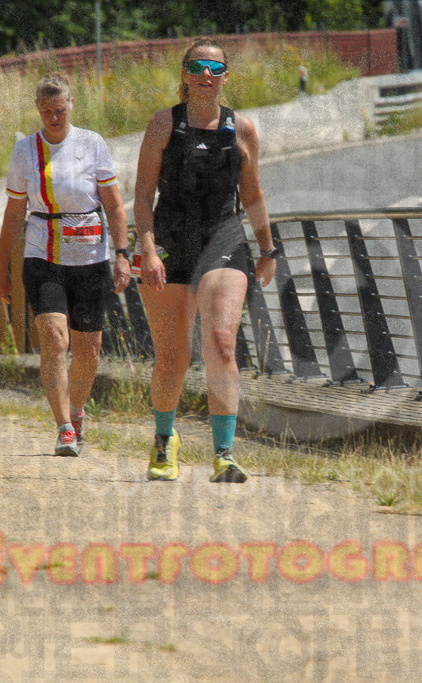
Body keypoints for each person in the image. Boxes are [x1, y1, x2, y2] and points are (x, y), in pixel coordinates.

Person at [134, 38, 276, 483]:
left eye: (215, 67)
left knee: (220, 341)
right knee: (173, 357)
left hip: (224, 240)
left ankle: (225, 453)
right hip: (171, 244)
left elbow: (251, 194)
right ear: (185, 74)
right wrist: (147, 248)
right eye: (197, 66)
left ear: (226, 76)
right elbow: (141, 195)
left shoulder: (243, 129)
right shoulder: (163, 125)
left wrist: (268, 249)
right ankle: (165, 439)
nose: (206, 74)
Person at [0, 73, 132, 457]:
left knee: (89, 349)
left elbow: (114, 204)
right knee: (56, 338)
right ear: (39, 111)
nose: (54, 117)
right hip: (43, 253)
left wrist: (122, 254)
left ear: (71, 105)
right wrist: (1, 265)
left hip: (90, 256)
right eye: (47, 112)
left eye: (60, 110)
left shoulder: (92, 144)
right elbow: (14, 211)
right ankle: (64, 428)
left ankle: (77, 410)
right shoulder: (25, 151)